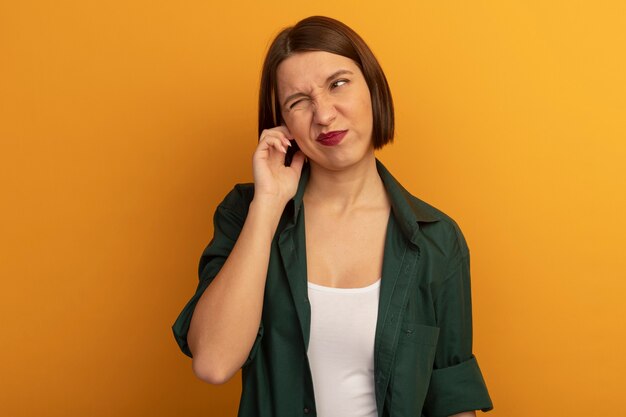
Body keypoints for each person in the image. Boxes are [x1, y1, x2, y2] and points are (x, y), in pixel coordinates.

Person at [173, 15, 493, 417]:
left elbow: (452, 399)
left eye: (337, 84)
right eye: (298, 101)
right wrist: (269, 205)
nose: (323, 115)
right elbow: (213, 362)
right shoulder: (247, 214)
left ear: (373, 89)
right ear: (283, 124)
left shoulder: (437, 240)